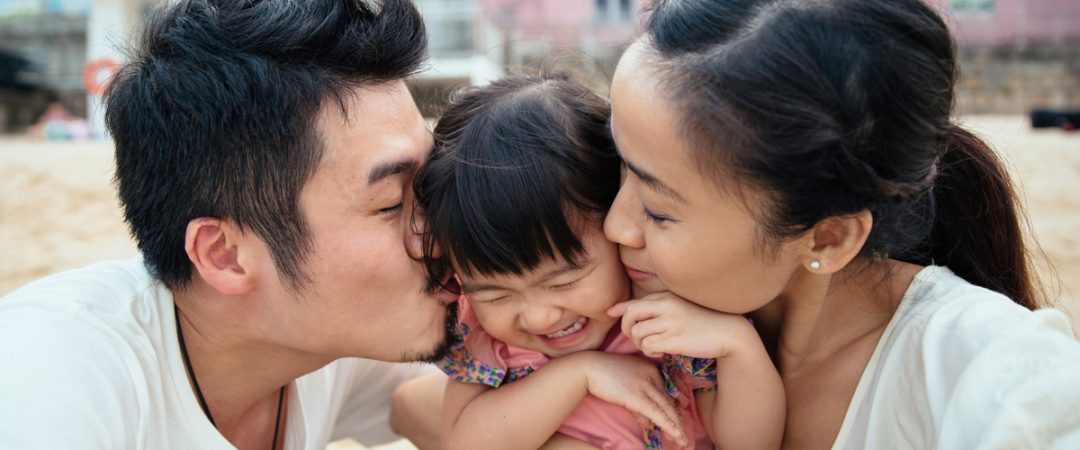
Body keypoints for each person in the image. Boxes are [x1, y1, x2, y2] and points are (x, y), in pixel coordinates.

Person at [602, 0, 1080, 448]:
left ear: (829, 238)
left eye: (658, 210)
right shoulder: (585, 314)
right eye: (618, 166)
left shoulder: (987, 369)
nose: (613, 227)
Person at [0, 1, 456, 448]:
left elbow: (425, 405)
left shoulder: (318, 337)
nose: (443, 227)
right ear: (224, 255)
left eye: (433, 183)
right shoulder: (44, 377)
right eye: (392, 203)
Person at [410, 72, 785, 450]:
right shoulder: (486, 342)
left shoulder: (666, 324)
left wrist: (739, 347)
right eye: (496, 296)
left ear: (615, 222)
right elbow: (466, 443)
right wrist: (581, 374)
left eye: (562, 282)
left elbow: (749, 444)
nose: (540, 317)